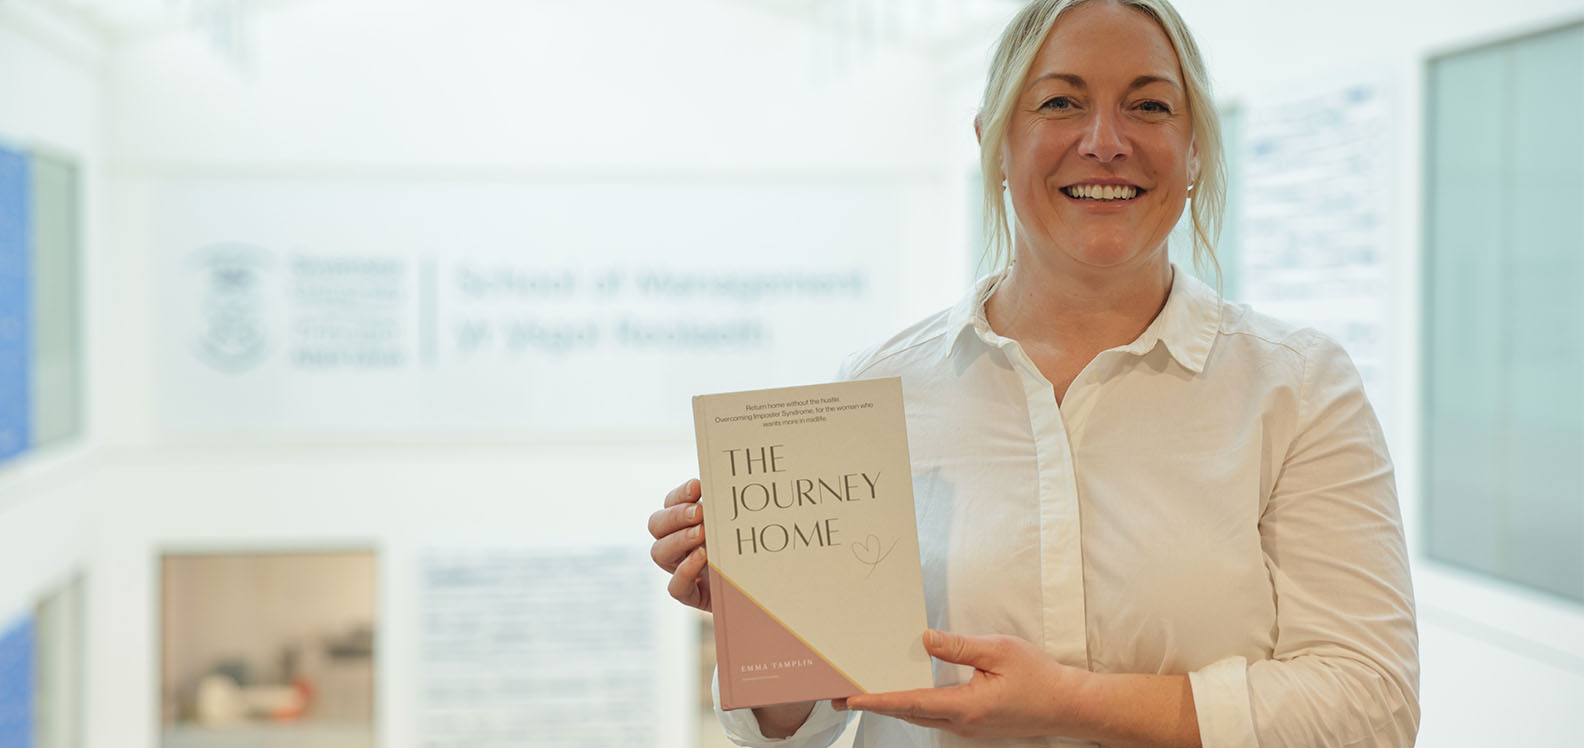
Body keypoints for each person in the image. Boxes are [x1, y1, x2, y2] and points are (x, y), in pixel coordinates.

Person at [647, 0, 1420, 745]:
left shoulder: (1299, 388)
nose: (1106, 140)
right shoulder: (877, 391)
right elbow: (802, 725)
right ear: (994, 141)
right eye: (1059, 103)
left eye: (1150, 107)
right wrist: (767, 617)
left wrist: (1071, 703)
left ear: (1194, 152)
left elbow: (1369, 708)